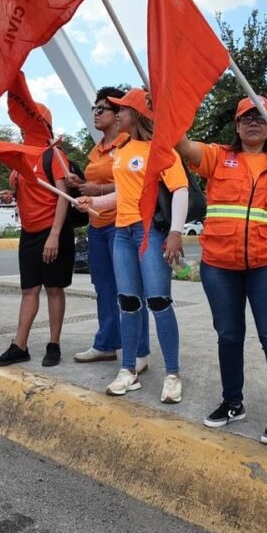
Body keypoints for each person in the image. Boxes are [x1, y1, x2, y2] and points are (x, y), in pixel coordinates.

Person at [174, 96, 267, 445]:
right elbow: (181, 143)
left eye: (261, 118)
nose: (253, 123)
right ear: (236, 124)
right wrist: (171, 106)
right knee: (228, 336)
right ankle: (232, 403)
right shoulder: (217, 157)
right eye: (246, 117)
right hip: (219, 265)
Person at [76, 88, 187, 403]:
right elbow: (124, 194)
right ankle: (128, 371)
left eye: (122, 110)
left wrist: (175, 232)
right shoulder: (121, 151)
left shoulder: (160, 149)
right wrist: (93, 200)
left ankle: (173, 374)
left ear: (135, 114)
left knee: (159, 302)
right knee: (128, 302)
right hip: (122, 232)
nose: (117, 113)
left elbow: (180, 190)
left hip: (150, 232)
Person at [68, 87, 151, 371]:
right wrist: (80, 185)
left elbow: (136, 182)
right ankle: (106, 344)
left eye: (102, 108)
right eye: (94, 108)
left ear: (119, 115)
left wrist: (98, 188)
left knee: (129, 291)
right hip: (97, 224)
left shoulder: (131, 145)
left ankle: (139, 351)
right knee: (103, 287)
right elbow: (95, 183)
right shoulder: (96, 149)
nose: (96, 113)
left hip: (123, 224)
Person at [0, 105, 74, 368]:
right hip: (29, 233)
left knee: (54, 289)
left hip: (53, 231)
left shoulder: (54, 155)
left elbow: (63, 197)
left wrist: (55, 235)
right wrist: (10, 194)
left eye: (28, 121)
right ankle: (20, 346)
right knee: (29, 290)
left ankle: (54, 344)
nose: (22, 126)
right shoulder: (19, 157)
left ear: (42, 124)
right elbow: (24, 191)